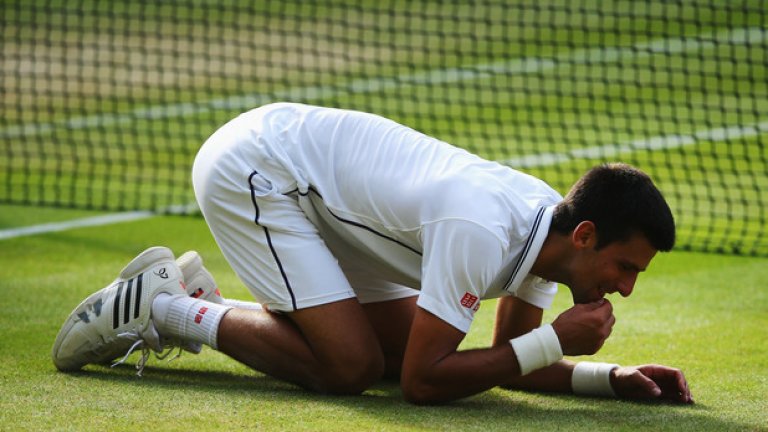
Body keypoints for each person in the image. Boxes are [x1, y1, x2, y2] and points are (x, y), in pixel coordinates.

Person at [52, 103, 693, 405]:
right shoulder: (482, 231)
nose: (627, 287)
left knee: (388, 354)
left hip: (327, 202)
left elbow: (505, 363)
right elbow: (425, 384)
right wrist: (555, 341)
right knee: (351, 367)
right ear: (585, 238)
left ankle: (199, 303)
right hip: (258, 171)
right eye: (625, 267)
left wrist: (608, 379)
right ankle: (168, 307)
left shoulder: (548, 235)